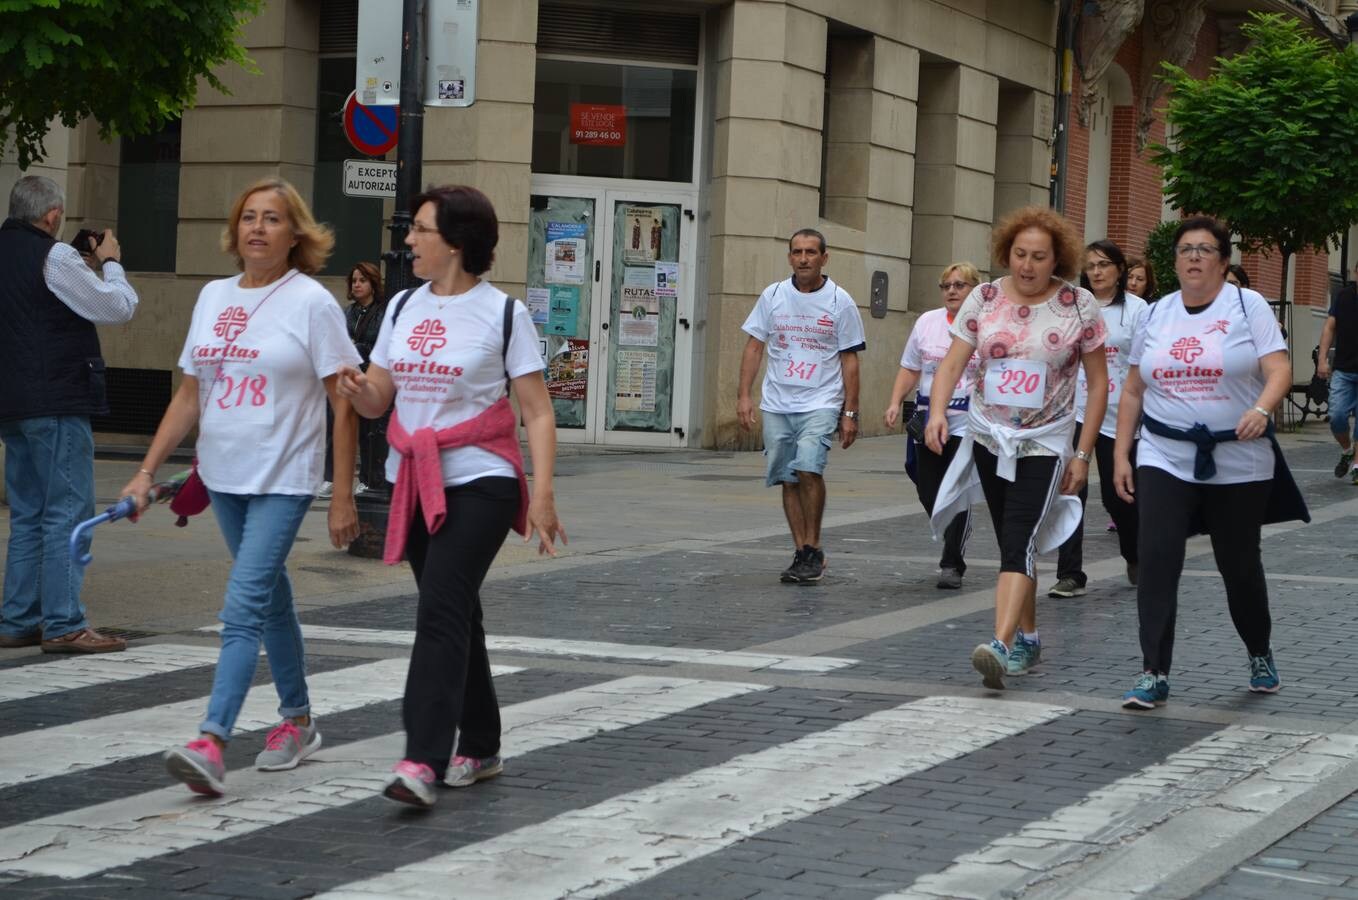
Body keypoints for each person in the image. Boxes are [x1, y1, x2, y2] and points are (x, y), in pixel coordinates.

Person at [119, 177, 362, 795]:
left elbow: (344, 405)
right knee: (271, 596)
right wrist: (147, 471)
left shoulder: (311, 303)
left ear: (295, 234)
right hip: (221, 474)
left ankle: (212, 738)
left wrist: (340, 494)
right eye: (248, 217)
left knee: (244, 604)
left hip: (284, 477)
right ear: (235, 231)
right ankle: (299, 720)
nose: (258, 227)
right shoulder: (212, 296)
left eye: (273, 219)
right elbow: (191, 394)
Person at [335, 185, 566, 808]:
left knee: (439, 610)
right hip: (416, 478)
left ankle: (422, 759)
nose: (408, 239)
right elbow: (382, 397)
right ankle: (483, 742)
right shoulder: (404, 306)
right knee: (457, 612)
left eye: (421, 230)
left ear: (458, 241)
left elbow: (537, 413)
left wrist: (541, 493)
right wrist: (356, 390)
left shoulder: (503, 314)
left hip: (483, 479)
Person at [1113, 216, 1303, 710]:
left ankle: (1259, 650)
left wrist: (1261, 409)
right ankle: (1153, 670)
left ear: (1222, 260)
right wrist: (1120, 454)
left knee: (1238, 566)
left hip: (1238, 457)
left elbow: (1280, 369)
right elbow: (1134, 389)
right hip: (1164, 451)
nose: (1194, 256)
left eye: (1205, 248)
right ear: (1174, 262)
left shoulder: (1247, 305)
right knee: (1156, 558)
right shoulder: (1155, 314)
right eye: (1185, 249)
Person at [925, 206, 1108, 689]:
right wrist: (939, 412)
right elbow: (951, 364)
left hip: (1044, 440)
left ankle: (1000, 645)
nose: (1027, 266)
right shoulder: (983, 298)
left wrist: (1083, 454)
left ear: (1058, 260)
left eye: (1039, 257)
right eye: (1019, 255)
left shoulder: (1078, 305)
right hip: (988, 434)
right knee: (1012, 540)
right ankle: (1028, 636)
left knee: (1021, 536)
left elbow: (1099, 383)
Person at [0, 175, 139, 654]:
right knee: (67, 512)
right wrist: (111, 263)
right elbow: (116, 307)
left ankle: (18, 619)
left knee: (29, 513)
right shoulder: (54, 256)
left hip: (12, 403)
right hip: (56, 399)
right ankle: (64, 622)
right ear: (53, 215)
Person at [737, 228, 867, 584]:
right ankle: (803, 552)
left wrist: (850, 413)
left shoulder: (841, 301)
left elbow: (850, 360)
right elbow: (753, 347)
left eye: (811, 252)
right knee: (787, 476)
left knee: (809, 467)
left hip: (821, 401)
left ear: (825, 257)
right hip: (778, 402)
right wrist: (744, 395)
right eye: (798, 252)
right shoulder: (773, 295)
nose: (804, 258)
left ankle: (814, 545)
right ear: (790, 257)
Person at [1048, 240, 1149, 598]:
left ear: (1120, 269)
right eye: (1090, 265)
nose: (1097, 272)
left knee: (1116, 494)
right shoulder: (1071, 305)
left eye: (1104, 264)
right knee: (1070, 488)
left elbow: (1144, 365)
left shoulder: (1138, 310)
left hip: (1119, 415)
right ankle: (1070, 573)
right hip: (1073, 410)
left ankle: (1134, 553)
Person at [884, 262, 981, 589]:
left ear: (974, 289)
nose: (952, 291)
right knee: (928, 490)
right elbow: (910, 367)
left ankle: (952, 561)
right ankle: (949, 535)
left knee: (957, 488)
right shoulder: (927, 322)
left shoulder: (986, 325)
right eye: (946, 286)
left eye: (960, 285)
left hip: (967, 421)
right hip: (927, 418)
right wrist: (896, 401)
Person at [320, 261, 387, 498]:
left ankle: (369, 479)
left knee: (371, 431)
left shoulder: (383, 311)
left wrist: (358, 348)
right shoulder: (347, 312)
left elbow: (381, 346)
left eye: (362, 280)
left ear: (373, 283)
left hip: (370, 378)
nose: (357, 285)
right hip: (344, 377)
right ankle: (331, 478)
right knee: (335, 426)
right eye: (354, 281)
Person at [1316, 263, 1358, 482]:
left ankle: (1357, 466)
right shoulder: (1343, 297)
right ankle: (1347, 449)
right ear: (1355, 274)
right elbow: (1330, 327)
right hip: (1343, 369)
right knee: (1337, 416)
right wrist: (1322, 360)